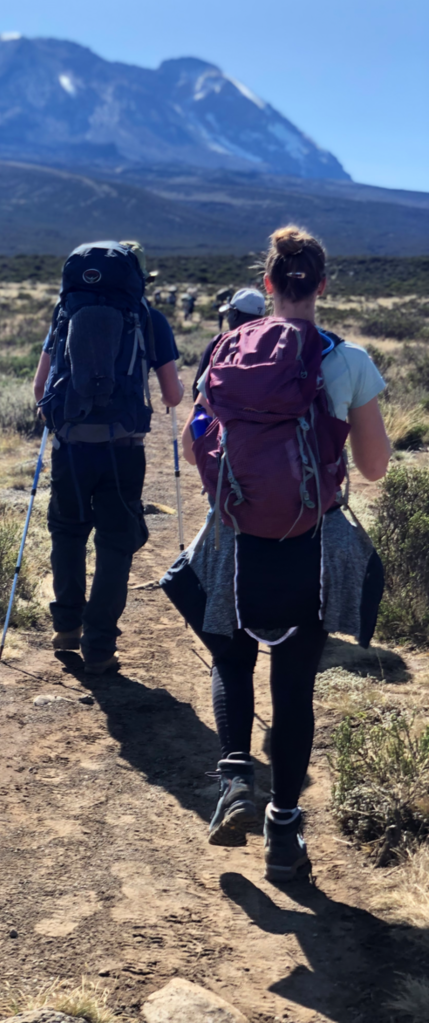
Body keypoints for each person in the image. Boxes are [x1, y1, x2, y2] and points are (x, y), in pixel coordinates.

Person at [163, 225, 391, 882]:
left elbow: (188, 444)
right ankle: (284, 832)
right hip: (306, 547)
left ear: (266, 286)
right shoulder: (347, 360)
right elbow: (373, 468)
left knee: (229, 655)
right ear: (321, 285)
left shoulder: (226, 349)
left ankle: (234, 775)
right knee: (292, 686)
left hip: (234, 538)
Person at [34, 240, 184, 675]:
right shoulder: (150, 319)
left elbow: (40, 388)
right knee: (116, 545)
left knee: (67, 533)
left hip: (70, 445)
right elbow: (173, 394)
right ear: (139, 279)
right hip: (123, 450)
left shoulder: (65, 315)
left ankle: (66, 629)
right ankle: (99, 646)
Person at [190, 287, 266, 404]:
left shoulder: (221, 342)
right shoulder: (273, 343)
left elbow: (198, 391)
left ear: (235, 314)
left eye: (229, 312)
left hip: (224, 419)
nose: (227, 318)